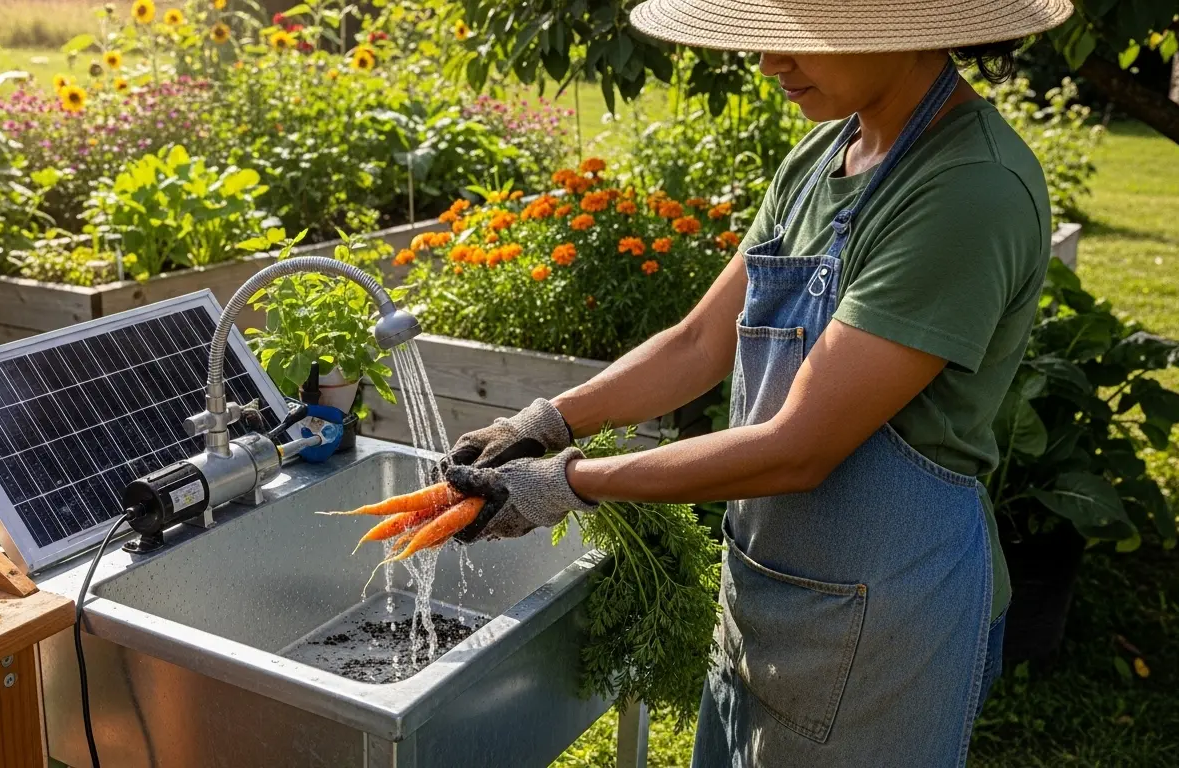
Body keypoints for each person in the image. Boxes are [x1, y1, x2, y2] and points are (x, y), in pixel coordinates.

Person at [441, 0, 1076, 764]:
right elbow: (699, 341)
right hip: (776, 578)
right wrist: (547, 420)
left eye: (799, 40)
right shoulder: (820, 160)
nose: (771, 64)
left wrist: (567, 483)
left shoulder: (968, 190)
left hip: (887, 621)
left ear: (906, 28)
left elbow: (799, 447)